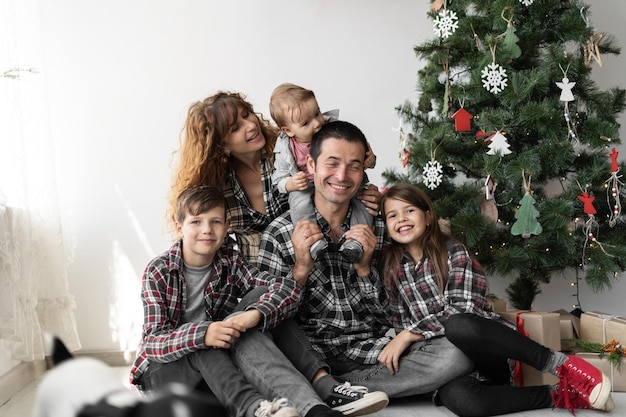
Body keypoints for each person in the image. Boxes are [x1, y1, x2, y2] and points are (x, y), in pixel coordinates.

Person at [258, 120, 474, 400]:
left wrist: (364, 270)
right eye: (332, 163)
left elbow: (397, 314)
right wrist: (301, 270)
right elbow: (269, 318)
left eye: (354, 166)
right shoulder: (279, 233)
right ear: (310, 166)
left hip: (374, 350)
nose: (342, 176)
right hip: (309, 358)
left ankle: (340, 391)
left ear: (364, 171)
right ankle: (323, 385)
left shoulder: (383, 229)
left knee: (460, 353)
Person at [131, 185, 386, 417]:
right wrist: (203, 333)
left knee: (260, 305)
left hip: (220, 374)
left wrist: (256, 314)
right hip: (166, 373)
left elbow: (285, 288)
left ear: (226, 226)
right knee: (204, 345)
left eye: (215, 221)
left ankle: (319, 402)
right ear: (180, 228)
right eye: (196, 222)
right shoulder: (160, 271)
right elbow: (153, 342)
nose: (207, 230)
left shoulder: (229, 261)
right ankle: (254, 409)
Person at [378, 182, 614, 416]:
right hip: (445, 361)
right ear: (386, 227)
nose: (401, 219)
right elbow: (400, 320)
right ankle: (561, 394)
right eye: (392, 215)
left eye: (409, 210)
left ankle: (561, 365)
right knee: (465, 401)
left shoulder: (453, 252)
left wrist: (409, 334)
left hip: (484, 350)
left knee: (458, 324)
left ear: (428, 216)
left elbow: (463, 309)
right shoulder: (393, 269)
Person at [167, 91, 381, 266]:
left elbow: (336, 160)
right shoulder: (217, 186)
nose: (251, 125)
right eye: (235, 128)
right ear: (221, 144)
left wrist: (364, 171)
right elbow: (202, 238)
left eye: (247, 114)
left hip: (311, 261)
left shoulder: (288, 155)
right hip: (253, 276)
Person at [269, 83, 377, 261]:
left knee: (363, 202)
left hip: (337, 186)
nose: (318, 123)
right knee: (299, 203)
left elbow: (358, 154)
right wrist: (291, 183)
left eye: (317, 113)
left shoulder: (332, 129)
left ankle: (356, 240)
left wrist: (370, 158)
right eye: (306, 123)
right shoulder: (285, 148)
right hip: (304, 184)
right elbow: (278, 179)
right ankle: (312, 241)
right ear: (288, 130)